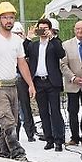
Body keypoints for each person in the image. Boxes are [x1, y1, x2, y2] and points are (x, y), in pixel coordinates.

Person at [0, 2, 35, 160]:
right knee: (7, 121)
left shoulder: (17, 40)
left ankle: (4, 153)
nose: (8, 21)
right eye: (5, 17)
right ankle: (18, 152)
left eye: (11, 17)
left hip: (12, 86)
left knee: (11, 122)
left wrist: (30, 84)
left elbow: (22, 63)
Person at [25, 18, 66, 151]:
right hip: (38, 81)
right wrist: (28, 38)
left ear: (50, 29)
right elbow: (23, 53)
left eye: (45, 28)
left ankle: (59, 140)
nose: (42, 31)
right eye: (40, 28)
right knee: (43, 112)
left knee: (55, 111)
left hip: (52, 82)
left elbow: (61, 53)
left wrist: (52, 37)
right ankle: (49, 139)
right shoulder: (33, 45)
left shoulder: (54, 43)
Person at [60, 19, 82, 146]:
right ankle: (74, 137)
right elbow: (63, 64)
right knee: (72, 111)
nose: (80, 31)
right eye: (78, 29)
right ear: (74, 30)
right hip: (72, 84)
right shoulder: (66, 45)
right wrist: (73, 77)